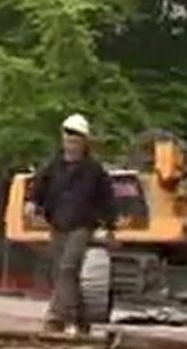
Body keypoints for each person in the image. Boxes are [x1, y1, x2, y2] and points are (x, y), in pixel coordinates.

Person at [25, 113, 118, 334]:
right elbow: (39, 185)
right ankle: (81, 320)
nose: (71, 146)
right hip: (58, 223)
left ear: (84, 143)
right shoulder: (53, 165)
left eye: (75, 141)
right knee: (61, 272)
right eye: (68, 141)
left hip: (82, 225)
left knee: (68, 268)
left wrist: (109, 227)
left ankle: (61, 316)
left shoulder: (94, 171)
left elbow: (107, 199)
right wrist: (32, 202)